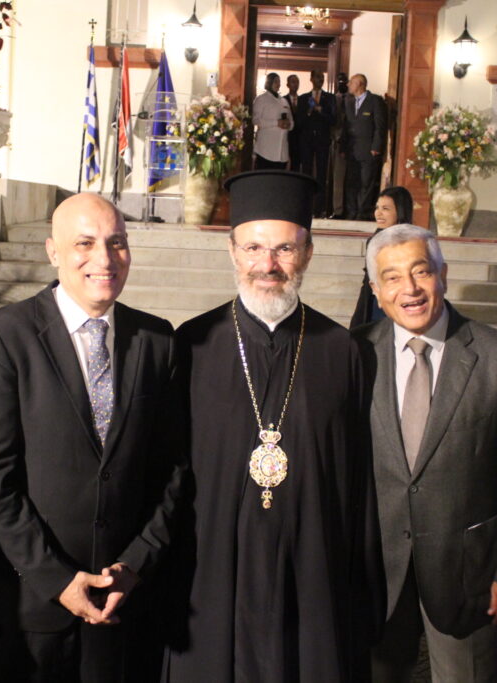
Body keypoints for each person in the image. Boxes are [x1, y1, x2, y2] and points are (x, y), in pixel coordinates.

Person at [164, 170, 384, 682]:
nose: (268, 265)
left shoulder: (342, 351)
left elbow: (358, 482)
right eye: (254, 248)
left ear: (307, 254)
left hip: (312, 571)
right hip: (211, 570)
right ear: (232, 251)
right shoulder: (191, 344)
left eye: (285, 249)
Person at [0, 193, 186, 682]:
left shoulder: (157, 341)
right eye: (84, 243)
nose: (104, 259)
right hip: (35, 609)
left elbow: (172, 471)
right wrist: (57, 578)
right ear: (53, 251)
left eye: (117, 243)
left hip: (125, 604)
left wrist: (134, 564)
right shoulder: (3, 338)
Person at [353, 225, 497, 682]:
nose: (410, 289)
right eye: (392, 277)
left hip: (467, 573)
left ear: (443, 275)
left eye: (421, 271)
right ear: (377, 291)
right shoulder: (354, 354)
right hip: (376, 570)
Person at [350, 186, 414, 328]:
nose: (378, 213)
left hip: (401, 303)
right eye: (377, 208)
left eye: (385, 209)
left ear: (400, 211)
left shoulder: (413, 242)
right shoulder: (374, 241)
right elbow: (368, 280)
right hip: (375, 303)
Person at [341, 73, 387, 220]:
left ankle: (362, 213)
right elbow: (345, 126)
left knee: (366, 182)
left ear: (360, 84)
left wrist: (376, 147)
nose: (348, 84)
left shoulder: (375, 101)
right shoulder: (348, 102)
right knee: (351, 182)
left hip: (368, 150)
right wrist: (343, 147)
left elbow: (380, 126)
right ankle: (351, 212)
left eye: (351, 82)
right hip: (352, 149)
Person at [298, 70, 337, 217]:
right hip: (307, 140)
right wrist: (309, 111)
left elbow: (333, 120)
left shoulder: (330, 98)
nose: (320, 80)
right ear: (311, 79)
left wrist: (320, 110)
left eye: (322, 77)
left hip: (322, 140)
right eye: (317, 77)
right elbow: (299, 122)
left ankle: (319, 208)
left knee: (322, 174)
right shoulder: (303, 98)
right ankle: (305, 206)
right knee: (306, 172)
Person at [252, 72, 293, 169]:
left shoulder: (284, 101)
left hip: (282, 153)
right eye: (275, 81)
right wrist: (276, 123)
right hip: (265, 151)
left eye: (279, 82)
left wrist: (288, 124)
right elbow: (256, 120)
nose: (278, 84)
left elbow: (292, 122)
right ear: (269, 82)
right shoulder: (261, 99)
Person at [284, 74, 303, 172]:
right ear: (288, 84)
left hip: (299, 137)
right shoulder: (283, 100)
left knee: (296, 164)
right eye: (293, 82)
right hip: (286, 136)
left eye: (297, 82)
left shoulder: (303, 100)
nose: (295, 84)